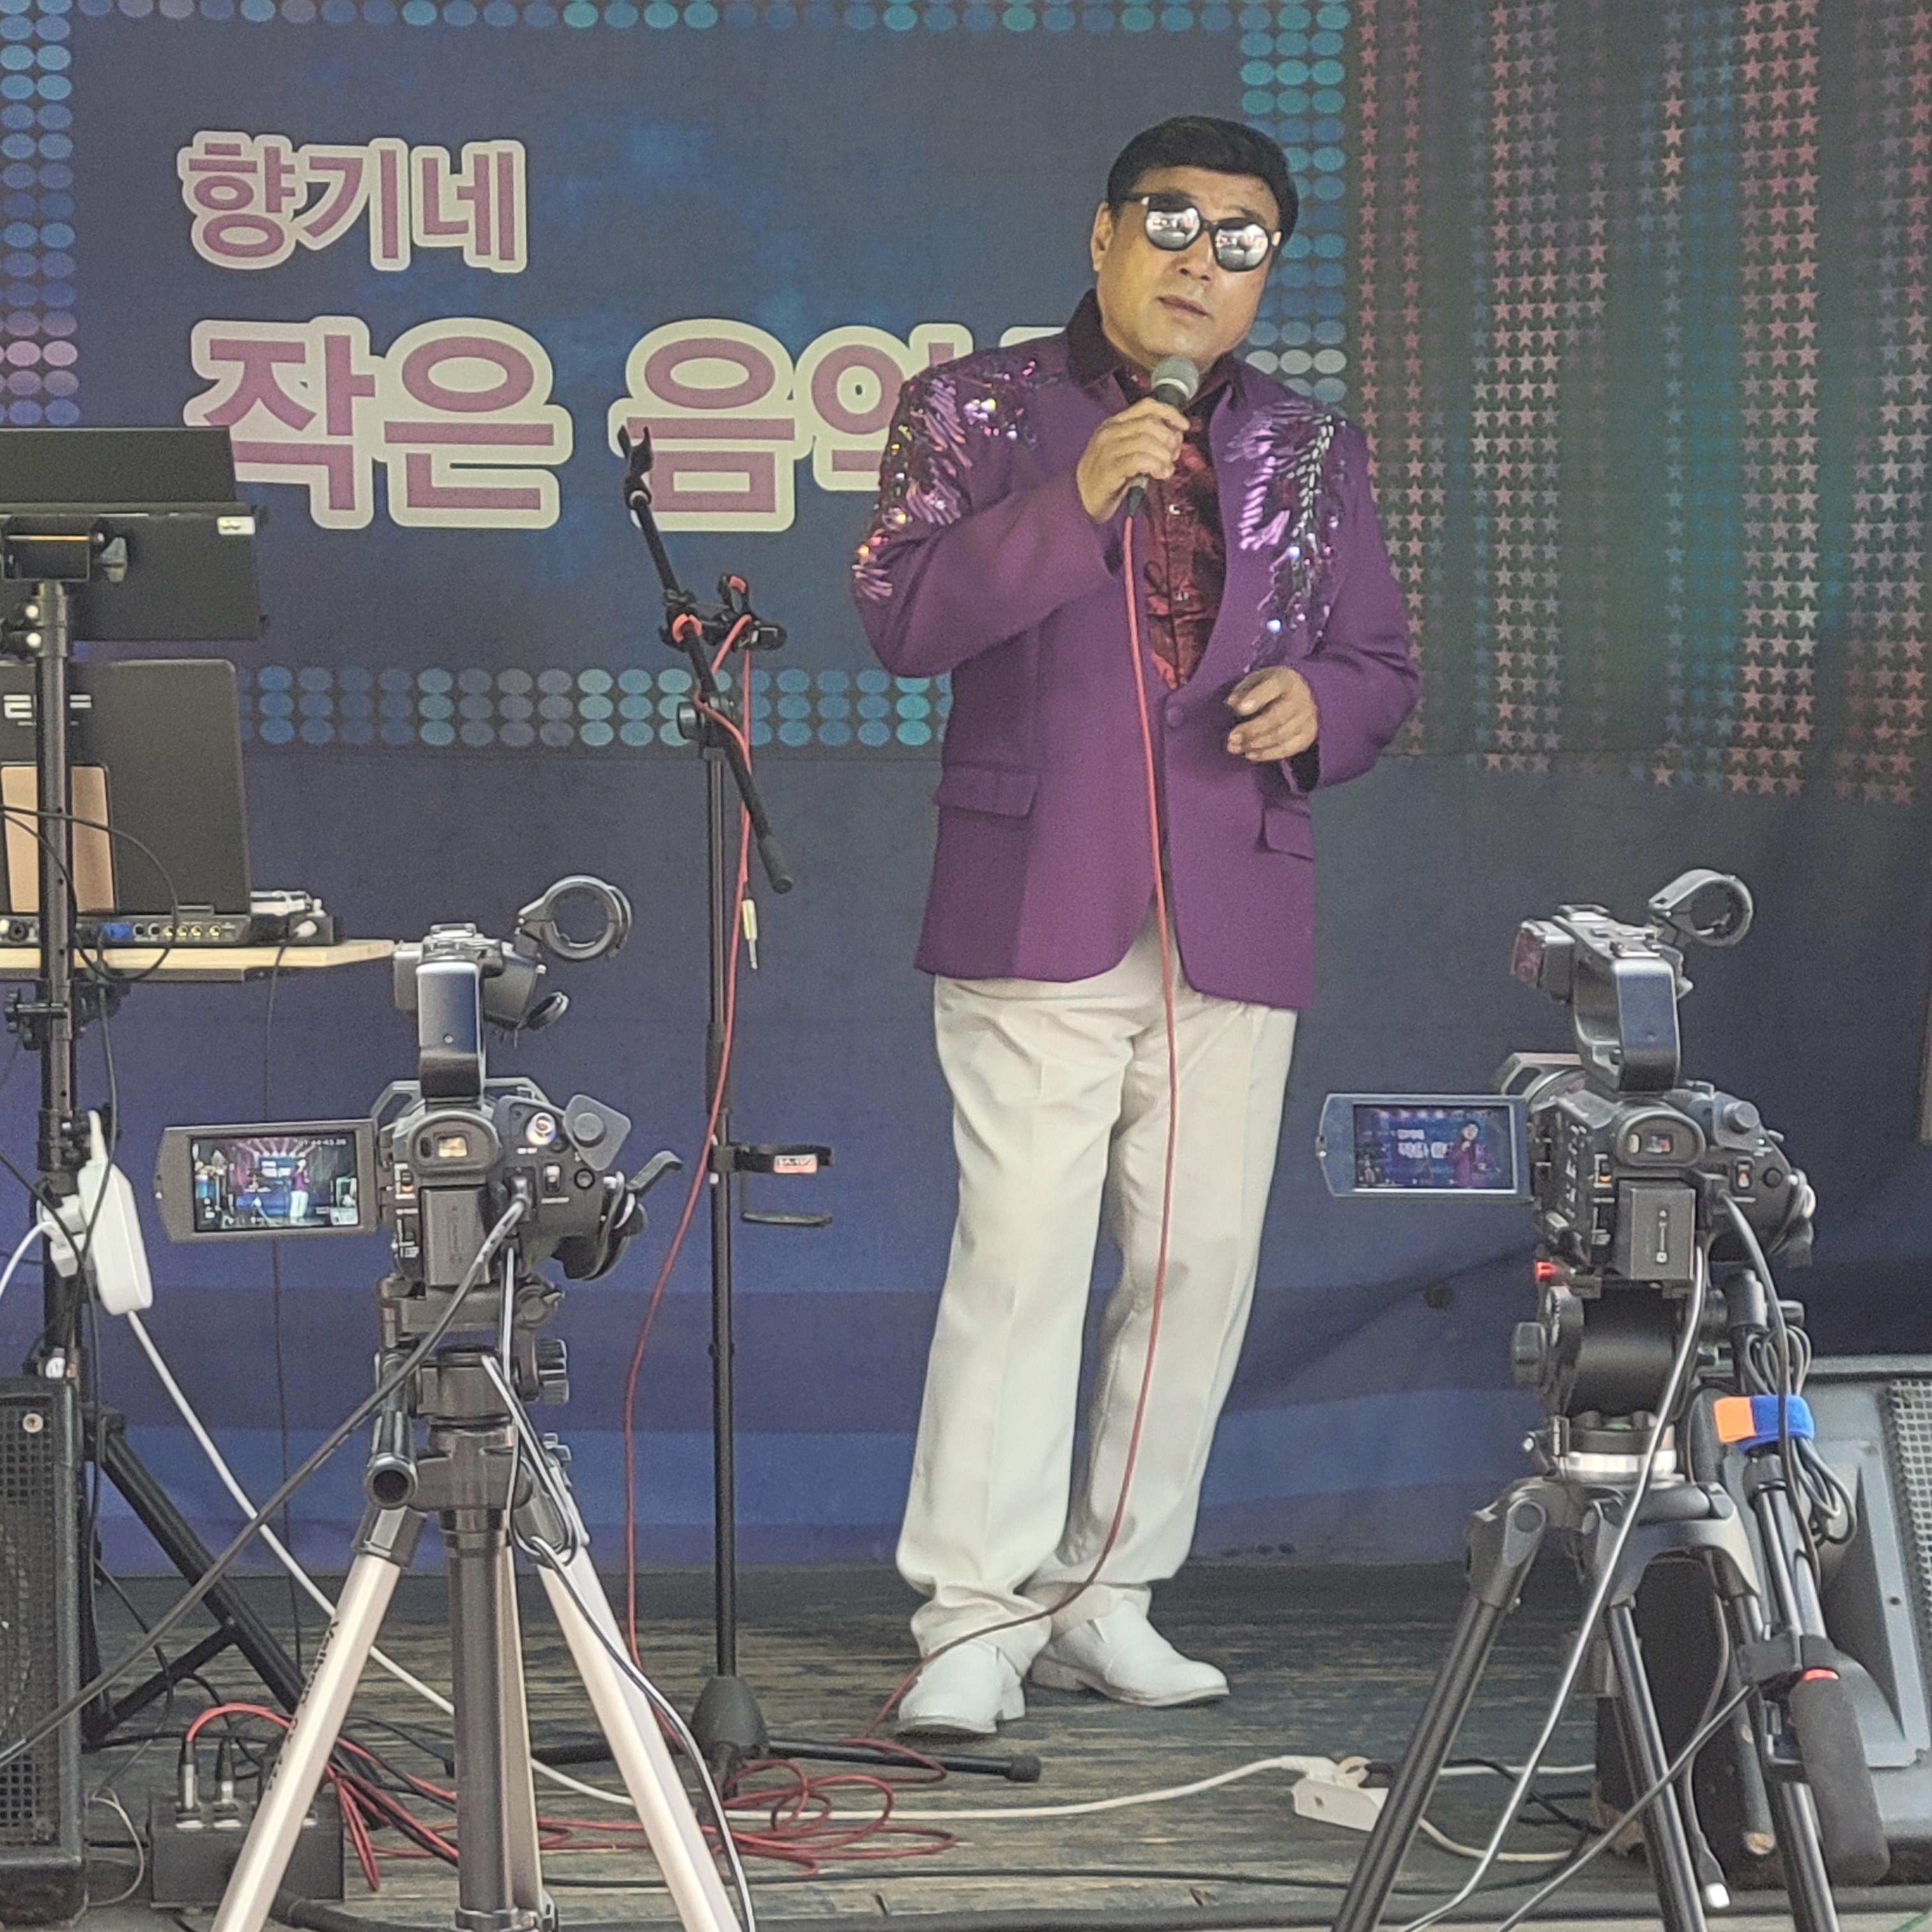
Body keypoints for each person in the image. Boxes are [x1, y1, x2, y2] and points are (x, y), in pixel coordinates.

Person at [850, 115, 1418, 1738]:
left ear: (1266, 273)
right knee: (1022, 1260)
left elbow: (1381, 666)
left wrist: (1321, 709)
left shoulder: (1309, 444)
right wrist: (1075, 499)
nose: (1200, 261)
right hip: (1040, 893)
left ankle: (1107, 1596)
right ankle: (976, 1615)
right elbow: (904, 613)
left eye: (1242, 240)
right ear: (1102, 236)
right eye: (1171, 222)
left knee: (1195, 1267)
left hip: (1232, 900)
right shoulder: (973, 407)